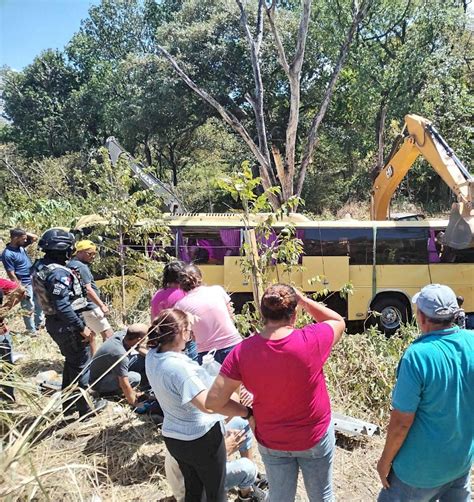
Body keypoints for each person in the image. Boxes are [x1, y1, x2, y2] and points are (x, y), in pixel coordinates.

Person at [206, 284, 346, 502]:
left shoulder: (242, 352)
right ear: (295, 313)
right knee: (323, 495)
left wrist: (247, 413)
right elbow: (338, 321)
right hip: (314, 436)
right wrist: (305, 300)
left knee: (279, 497)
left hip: (271, 439)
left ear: (262, 313)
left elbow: (213, 402)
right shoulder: (311, 340)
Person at [376, 284, 474, 502]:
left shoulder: (417, 356)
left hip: (419, 472)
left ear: (421, 317)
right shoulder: (472, 341)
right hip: (460, 461)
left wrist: (384, 462)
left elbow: (401, 423)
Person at [145, 309, 252, 502]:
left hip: (174, 438)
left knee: (194, 491)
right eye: (189, 331)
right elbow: (209, 406)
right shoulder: (180, 369)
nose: (191, 336)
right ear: (181, 332)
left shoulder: (153, 357)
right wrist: (245, 411)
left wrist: (182, 320)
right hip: (201, 439)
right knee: (216, 493)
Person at [31, 228, 105, 418]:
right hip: (67, 325)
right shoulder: (58, 273)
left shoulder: (41, 266)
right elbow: (62, 306)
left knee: (71, 364)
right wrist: (82, 328)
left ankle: (69, 405)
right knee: (82, 366)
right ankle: (86, 408)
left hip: (57, 323)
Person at [165, 416, 265, 502]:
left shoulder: (190, 419)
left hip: (204, 457)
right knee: (247, 467)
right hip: (194, 486)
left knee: (241, 423)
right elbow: (201, 465)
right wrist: (224, 450)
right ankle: (247, 495)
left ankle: (251, 482)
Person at [175, 264, 242, 364]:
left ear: (180, 284)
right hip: (233, 345)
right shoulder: (217, 290)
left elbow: (188, 334)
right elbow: (230, 315)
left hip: (207, 355)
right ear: (200, 277)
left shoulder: (179, 306)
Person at [89, 323, 148, 406]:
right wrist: (135, 403)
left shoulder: (123, 335)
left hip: (109, 370)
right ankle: (109, 393)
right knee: (135, 377)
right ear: (138, 339)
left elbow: (137, 346)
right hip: (99, 383)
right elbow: (124, 385)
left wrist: (150, 356)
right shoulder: (120, 355)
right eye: (145, 338)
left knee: (142, 359)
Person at [150, 261, 198, 361]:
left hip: (163, 341)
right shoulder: (184, 294)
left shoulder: (157, 295)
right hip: (183, 340)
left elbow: (153, 319)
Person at [68, 240, 113, 342]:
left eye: (94, 254)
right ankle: (110, 357)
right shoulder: (81, 267)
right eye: (89, 253)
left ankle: (94, 357)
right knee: (109, 335)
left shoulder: (70, 264)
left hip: (79, 306)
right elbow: (88, 289)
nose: (92, 256)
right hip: (89, 307)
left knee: (91, 336)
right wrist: (102, 305)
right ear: (79, 252)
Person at [1, 228, 44, 334]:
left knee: (39, 303)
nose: (26, 241)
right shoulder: (7, 254)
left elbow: (34, 237)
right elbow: (11, 273)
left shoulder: (21, 246)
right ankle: (31, 330)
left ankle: (39, 324)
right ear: (16, 238)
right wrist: (19, 288)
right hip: (23, 283)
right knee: (28, 307)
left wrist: (23, 233)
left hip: (33, 279)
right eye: (23, 239)